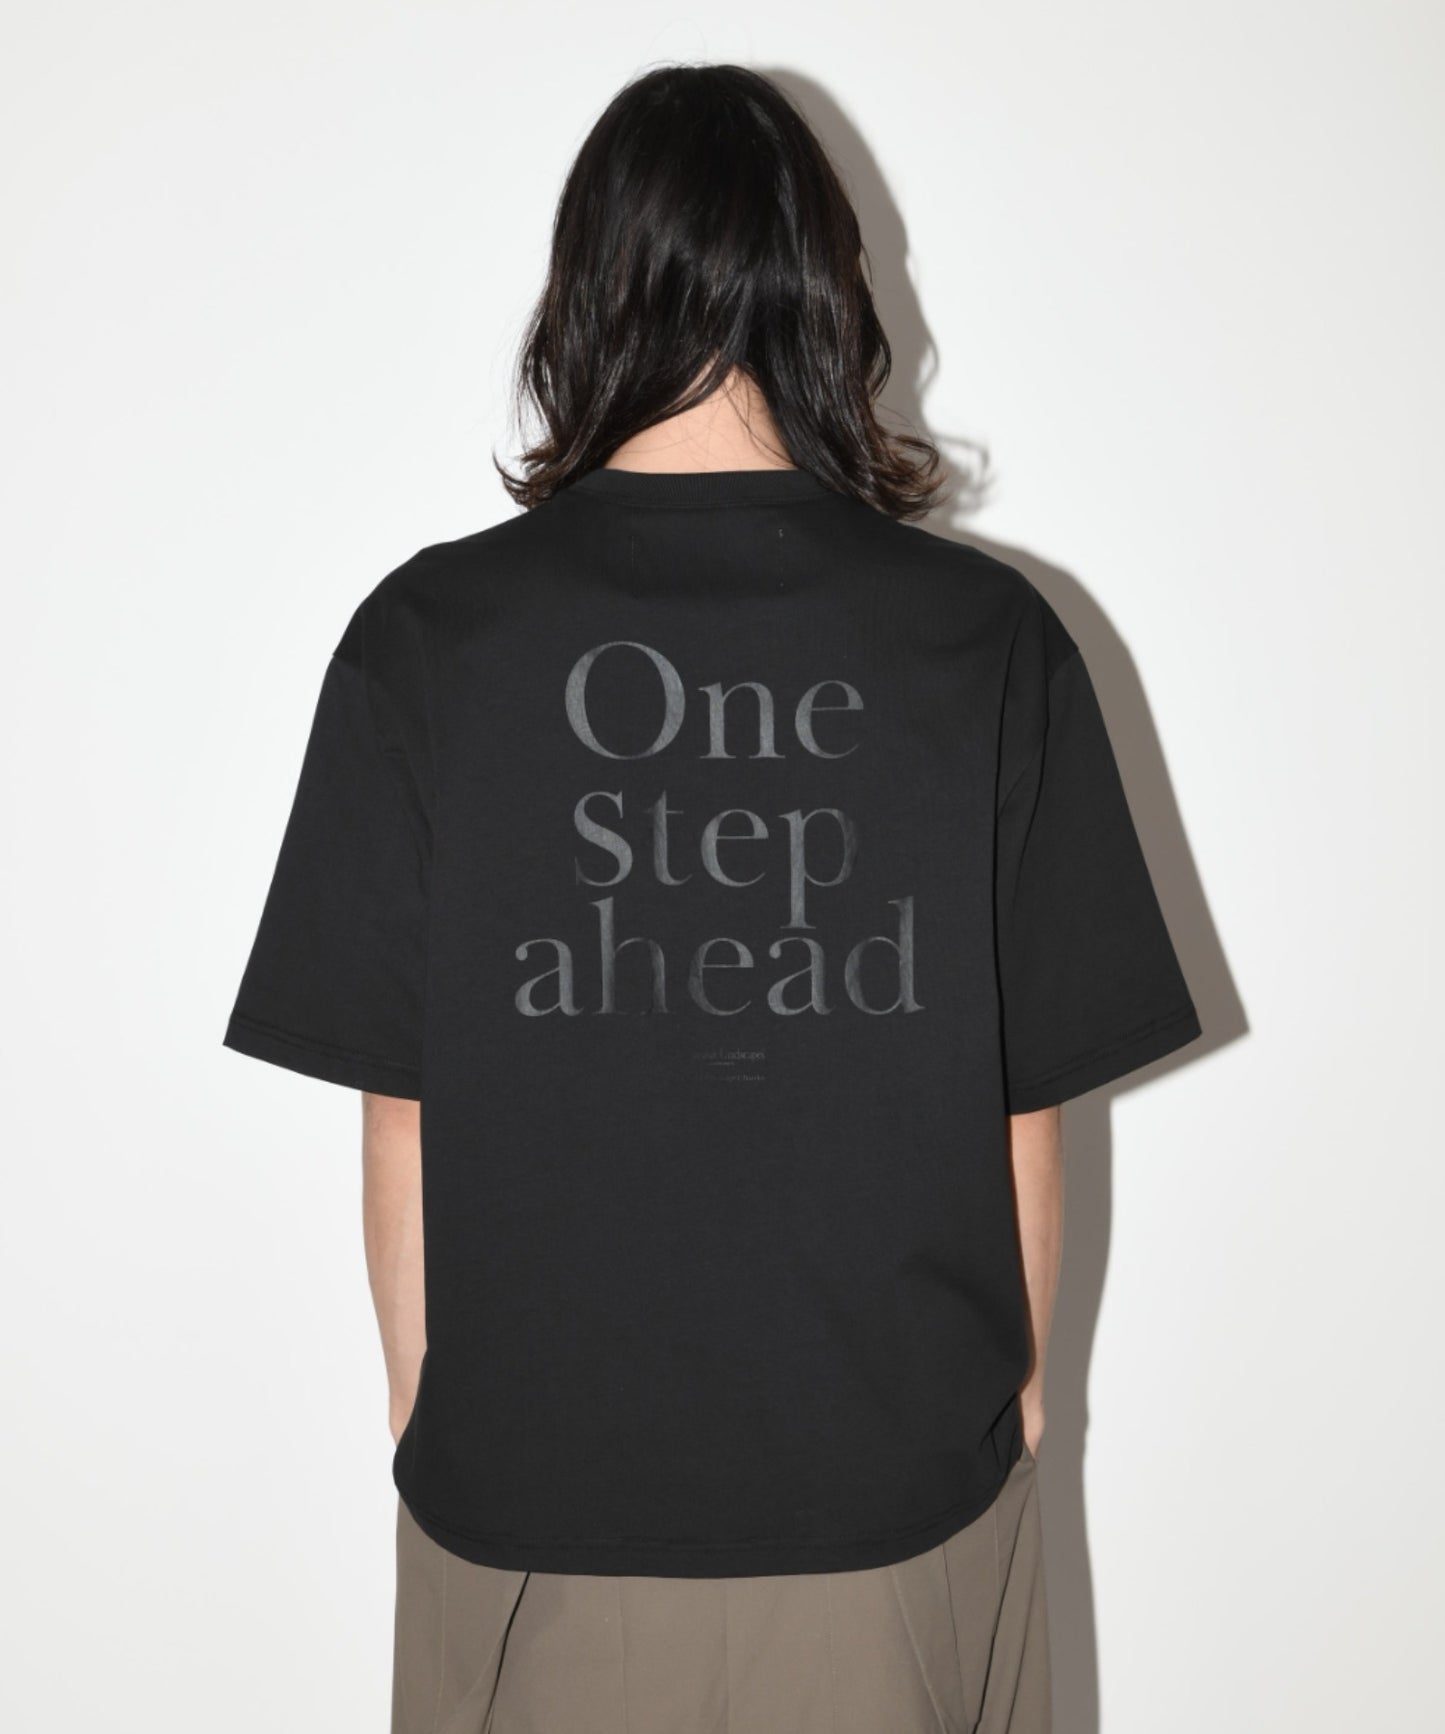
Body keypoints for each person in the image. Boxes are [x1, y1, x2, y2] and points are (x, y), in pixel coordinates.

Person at [222, 62, 1202, 1734]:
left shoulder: (428, 641)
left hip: (528, 1522)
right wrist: (1015, 1412)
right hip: (898, 1509)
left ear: (585, 295)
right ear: (827, 291)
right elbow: (1023, 1107)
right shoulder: (986, 641)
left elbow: (403, 1108)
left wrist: (428, 1418)